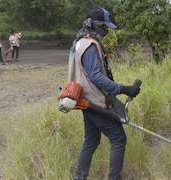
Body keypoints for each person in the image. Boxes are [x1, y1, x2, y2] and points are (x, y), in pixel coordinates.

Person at [68, 7, 141, 180]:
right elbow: (95, 76)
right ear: (95, 25)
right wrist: (124, 89)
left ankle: (80, 177)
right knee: (118, 138)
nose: (107, 31)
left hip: (84, 99)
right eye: (105, 27)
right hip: (95, 102)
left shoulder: (78, 42)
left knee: (91, 140)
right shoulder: (90, 45)